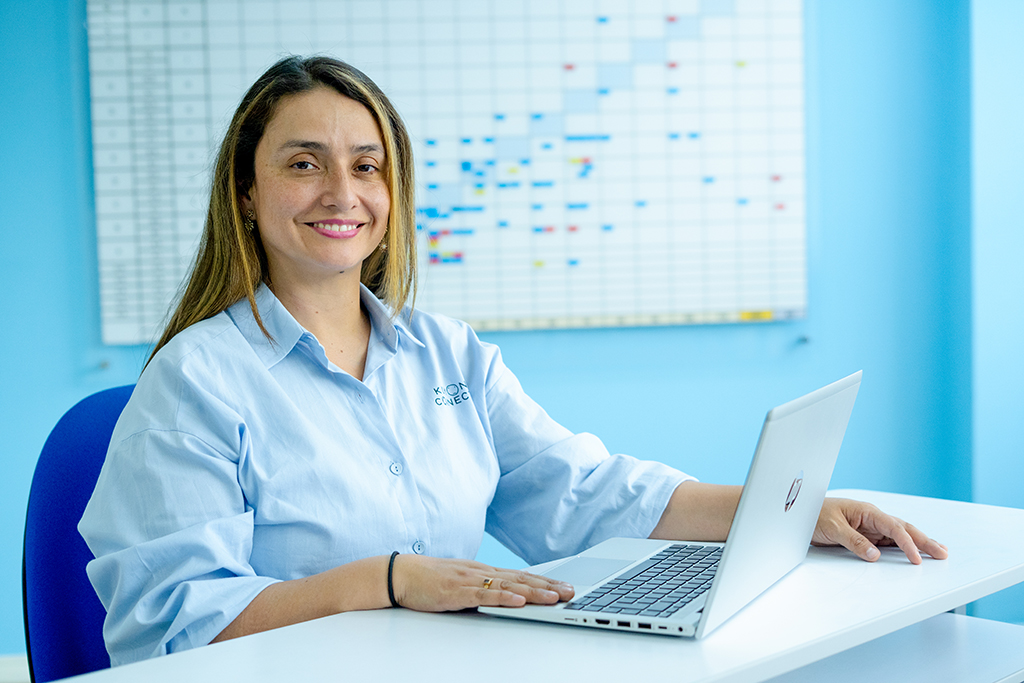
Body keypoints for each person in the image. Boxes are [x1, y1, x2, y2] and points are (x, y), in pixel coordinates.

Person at [79, 55, 948, 666]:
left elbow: (588, 491)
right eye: (304, 164)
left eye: (367, 166)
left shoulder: (446, 353)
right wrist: (384, 581)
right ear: (247, 189)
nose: (342, 194)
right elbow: (169, 624)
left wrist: (789, 508)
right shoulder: (195, 380)